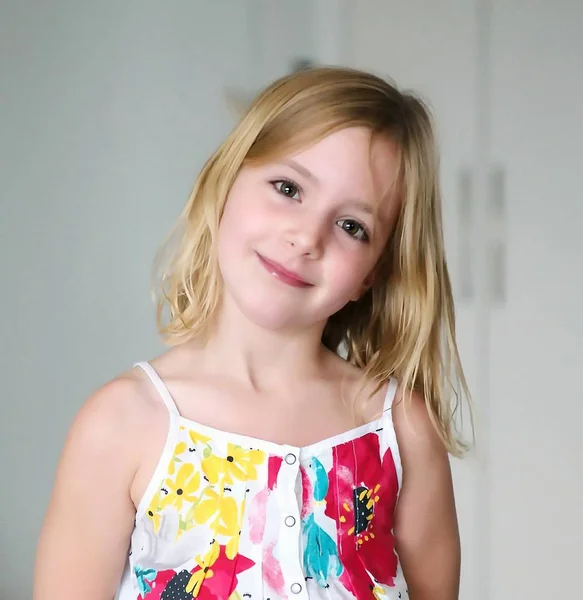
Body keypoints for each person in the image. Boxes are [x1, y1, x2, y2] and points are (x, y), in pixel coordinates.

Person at [34, 66, 469, 600]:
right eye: (288, 188)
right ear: (225, 181)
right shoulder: (122, 424)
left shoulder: (400, 430)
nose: (307, 237)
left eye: (352, 226)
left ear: (373, 272)